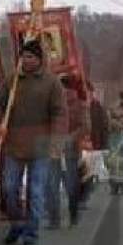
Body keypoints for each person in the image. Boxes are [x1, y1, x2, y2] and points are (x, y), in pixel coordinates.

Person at [0, 38, 65, 245]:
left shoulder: (52, 82)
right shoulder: (12, 80)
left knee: (36, 190)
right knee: (9, 188)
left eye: (30, 56)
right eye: (23, 56)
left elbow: (59, 113)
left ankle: (31, 233)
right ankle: (17, 224)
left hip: (41, 144)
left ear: (39, 59)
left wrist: (56, 139)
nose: (26, 60)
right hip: (14, 142)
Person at [46, 74, 88, 227]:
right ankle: (54, 219)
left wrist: (70, 138)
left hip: (70, 151)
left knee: (70, 184)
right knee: (51, 185)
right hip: (53, 149)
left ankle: (73, 214)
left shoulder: (79, 105)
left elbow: (85, 126)